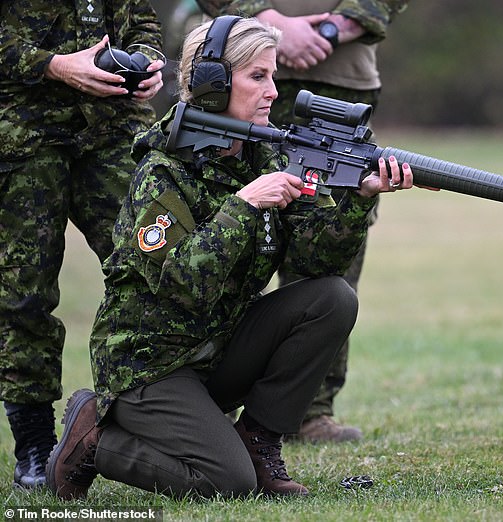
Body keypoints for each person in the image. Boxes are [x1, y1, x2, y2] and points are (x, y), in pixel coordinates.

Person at [45, 15, 414, 500]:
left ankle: (259, 444)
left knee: (332, 298)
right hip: (149, 364)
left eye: (274, 76)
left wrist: (361, 196)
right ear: (214, 85)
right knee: (226, 482)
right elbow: (181, 281)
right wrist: (244, 204)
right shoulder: (162, 173)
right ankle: (95, 438)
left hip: (217, 350)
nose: (273, 91)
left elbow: (314, 261)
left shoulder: (267, 158)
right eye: (258, 76)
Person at [216, 0, 408, 443]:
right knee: (234, 235)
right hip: (237, 61)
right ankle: (208, 397)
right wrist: (270, 23)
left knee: (332, 258)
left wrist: (331, 31)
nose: (272, 89)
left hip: (346, 82)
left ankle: (309, 409)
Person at [0, 0, 164, 489]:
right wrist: (52, 66)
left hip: (114, 130)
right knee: (24, 294)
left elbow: (144, 19)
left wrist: (148, 60)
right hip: (24, 133)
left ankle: (168, 419)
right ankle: (34, 446)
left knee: (158, 268)